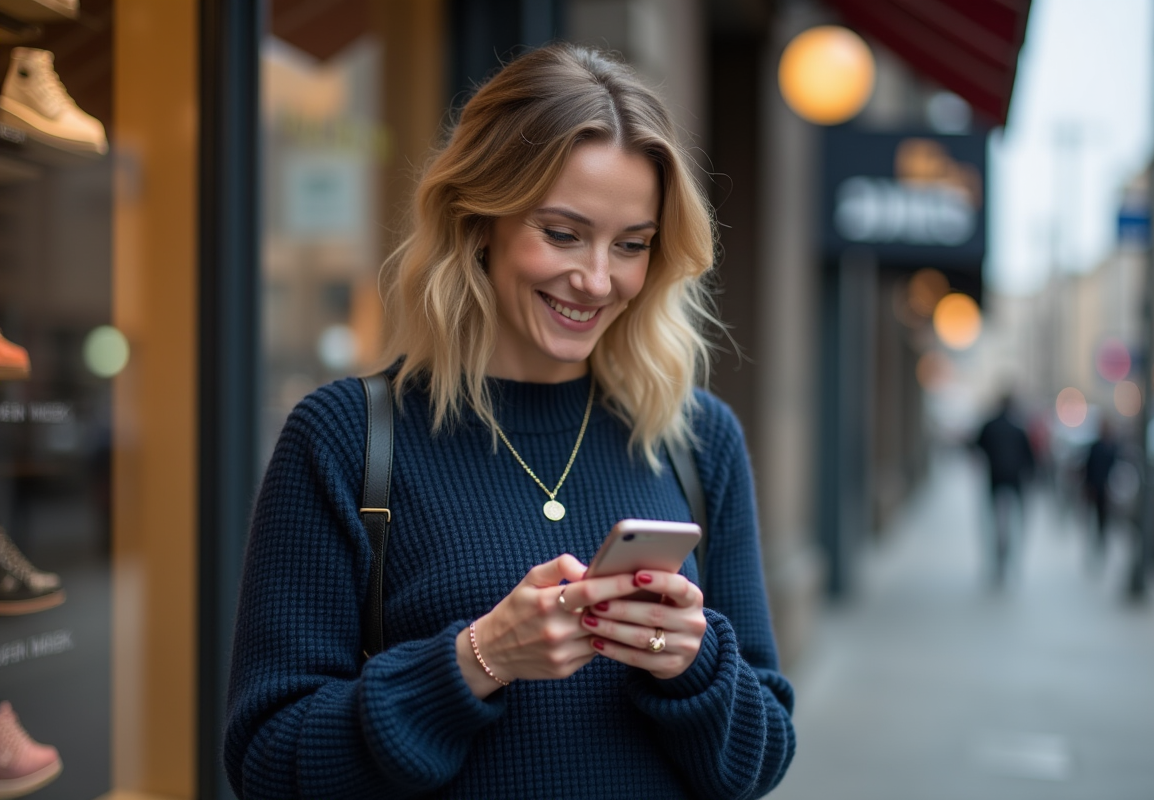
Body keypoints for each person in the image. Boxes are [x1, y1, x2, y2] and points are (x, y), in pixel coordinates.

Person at [223, 43, 795, 799]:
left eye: (632, 245)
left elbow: (758, 763)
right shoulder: (348, 437)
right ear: (478, 220)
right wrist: (478, 658)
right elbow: (269, 763)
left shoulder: (696, 438)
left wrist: (694, 662)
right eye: (562, 233)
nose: (597, 279)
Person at [974, 394, 1036, 586]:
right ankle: (1012, 559)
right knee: (1016, 522)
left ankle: (998, 560)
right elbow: (1030, 458)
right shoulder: (1018, 429)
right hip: (1014, 482)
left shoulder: (990, 426)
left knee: (995, 523)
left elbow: (977, 447)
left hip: (996, 480)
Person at [1083, 418, 1120, 561]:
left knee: (1102, 521)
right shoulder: (1097, 447)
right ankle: (1095, 546)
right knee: (1094, 520)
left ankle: (1100, 545)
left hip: (1105, 490)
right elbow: (1088, 468)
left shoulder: (1111, 448)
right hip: (1095, 489)